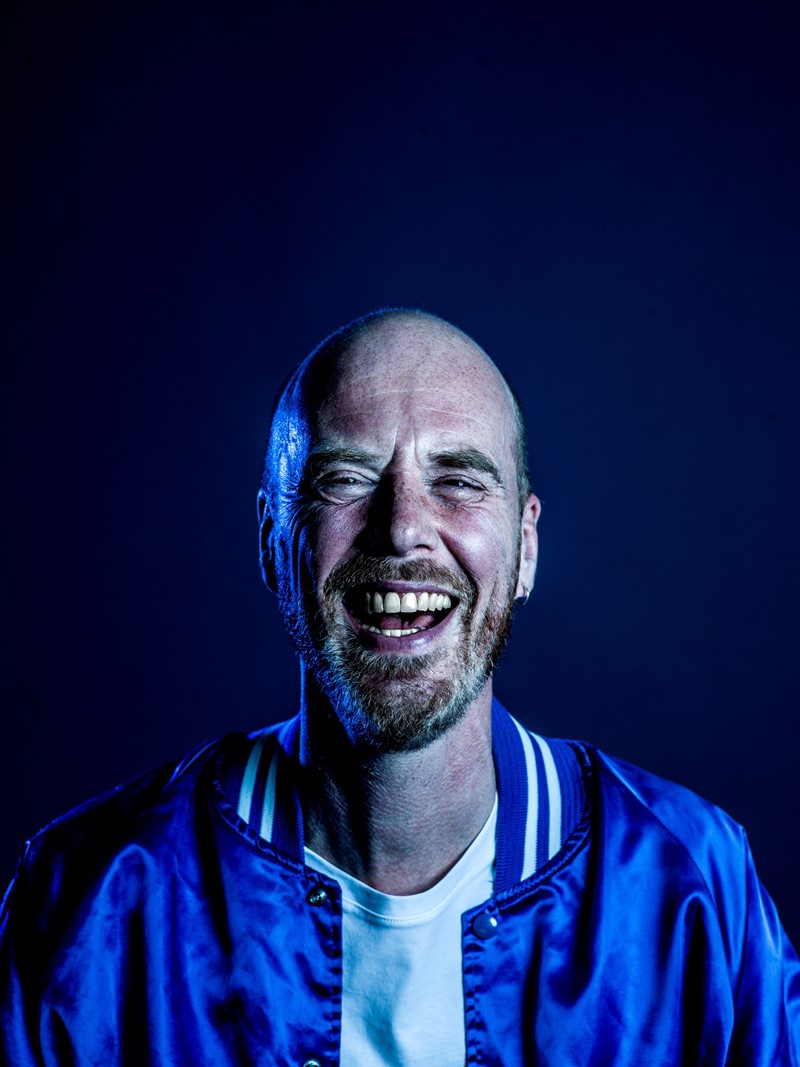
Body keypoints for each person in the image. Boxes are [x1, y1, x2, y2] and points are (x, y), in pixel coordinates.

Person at [1, 309, 798, 1065]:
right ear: (273, 541)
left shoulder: (694, 889)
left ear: (525, 548)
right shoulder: (90, 907)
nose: (403, 527)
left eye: (459, 480)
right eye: (345, 478)